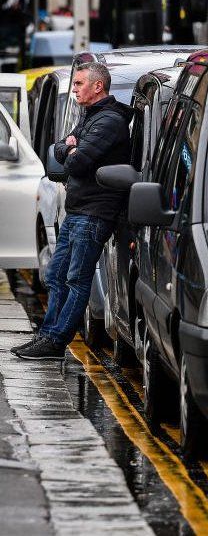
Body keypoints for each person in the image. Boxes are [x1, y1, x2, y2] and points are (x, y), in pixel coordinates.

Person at [11, 62, 132, 359]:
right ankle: (48, 334)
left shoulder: (109, 121)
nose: (75, 89)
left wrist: (71, 150)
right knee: (56, 275)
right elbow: (59, 148)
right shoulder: (91, 117)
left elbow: (76, 162)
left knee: (77, 279)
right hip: (77, 210)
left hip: (94, 213)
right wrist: (69, 148)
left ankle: (56, 341)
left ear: (98, 86)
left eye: (79, 84)